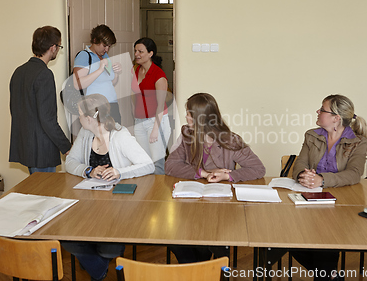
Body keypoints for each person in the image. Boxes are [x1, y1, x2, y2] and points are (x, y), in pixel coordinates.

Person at [165, 92, 266, 263]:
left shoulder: (230, 140)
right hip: (190, 203)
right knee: (175, 239)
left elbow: (258, 169)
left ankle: (200, 269)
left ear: (200, 117)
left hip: (220, 207)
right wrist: (202, 173)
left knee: (207, 242)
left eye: (189, 112)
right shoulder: (187, 135)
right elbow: (170, 166)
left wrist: (227, 175)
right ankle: (195, 270)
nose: (186, 116)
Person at [63, 94, 154, 281]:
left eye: (79, 114)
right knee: (66, 239)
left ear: (89, 118)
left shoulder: (120, 136)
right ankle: (99, 270)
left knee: (109, 250)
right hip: (88, 207)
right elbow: (70, 162)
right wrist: (88, 170)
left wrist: (119, 172)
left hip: (118, 210)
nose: (78, 118)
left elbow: (148, 165)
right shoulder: (85, 134)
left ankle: (94, 263)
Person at [291, 94, 367, 281]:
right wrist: (304, 176)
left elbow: (354, 173)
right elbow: (299, 163)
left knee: (326, 237)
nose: (317, 111)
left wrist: (321, 180)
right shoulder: (312, 135)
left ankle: (327, 275)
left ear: (336, 118)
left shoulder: (358, 142)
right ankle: (330, 275)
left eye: (322, 109)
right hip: (310, 198)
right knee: (287, 235)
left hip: (342, 203)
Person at [9, 26, 71, 174]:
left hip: (26, 145)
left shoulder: (18, 72)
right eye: (59, 46)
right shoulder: (44, 74)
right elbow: (47, 119)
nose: (58, 50)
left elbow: (15, 110)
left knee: (36, 194)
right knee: (45, 195)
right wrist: (66, 147)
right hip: (42, 150)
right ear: (53, 47)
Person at [131, 37, 171, 175]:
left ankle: (158, 195)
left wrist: (155, 129)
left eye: (140, 51)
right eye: (135, 50)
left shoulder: (159, 75)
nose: (136, 54)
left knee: (157, 164)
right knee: (144, 162)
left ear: (150, 54)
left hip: (156, 122)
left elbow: (160, 105)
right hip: (139, 122)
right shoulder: (136, 71)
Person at [72, 24, 122, 123]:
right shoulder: (84, 56)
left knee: (115, 137)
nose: (107, 49)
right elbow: (77, 85)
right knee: (99, 138)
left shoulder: (105, 56)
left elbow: (111, 83)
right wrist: (99, 70)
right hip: (95, 107)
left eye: (109, 46)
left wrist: (116, 73)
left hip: (112, 105)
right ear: (95, 40)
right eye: (104, 45)